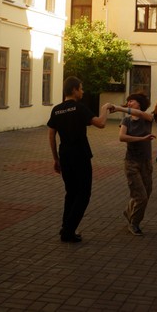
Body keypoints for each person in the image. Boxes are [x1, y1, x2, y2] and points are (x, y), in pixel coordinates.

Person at [47, 77, 112, 243]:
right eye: (81, 88)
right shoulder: (79, 108)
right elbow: (101, 123)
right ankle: (68, 231)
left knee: (71, 193)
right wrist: (105, 109)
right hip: (80, 156)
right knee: (83, 194)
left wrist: (56, 158)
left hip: (65, 155)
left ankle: (65, 227)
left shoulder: (56, 110)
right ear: (74, 90)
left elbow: (51, 135)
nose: (82, 91)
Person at [112, 93, 155, 236]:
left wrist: (119, 108)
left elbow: (140, 114)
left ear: (140, 103)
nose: (129, 103)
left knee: (146, 193)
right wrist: (141, 139)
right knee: (141, 196)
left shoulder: (147, 117)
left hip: (146, 162)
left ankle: (128, 211)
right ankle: (134, 223)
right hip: (131, 163)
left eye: (132, 101)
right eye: (128, 101)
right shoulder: (126, 120)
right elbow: (122, 137)